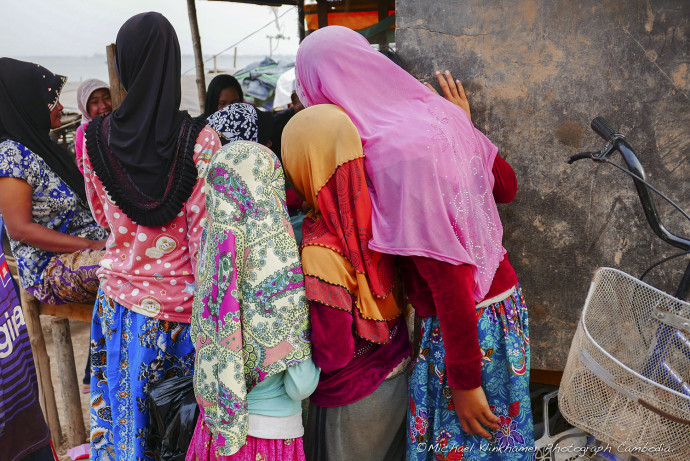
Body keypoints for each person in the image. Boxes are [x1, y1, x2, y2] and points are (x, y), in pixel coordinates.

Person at [293, 26, 533, 460]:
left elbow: (448, 273)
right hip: (504, 308)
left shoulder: (392, 152)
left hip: (465, 327)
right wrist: (462, 127)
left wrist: (465, 381)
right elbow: (505, 185)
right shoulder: (436, 114)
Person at [82, 12, 220, 460]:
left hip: (119, 310)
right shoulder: (201, 142)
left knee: (126, 432)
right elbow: (206, 249)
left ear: (124, 65)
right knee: (179, 437)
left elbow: (103, 218)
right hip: (184, 320)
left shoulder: (91, 140)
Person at [281, 104, 412, 461]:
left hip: (353, 401)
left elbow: (333, 353)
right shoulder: (379, 213)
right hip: (398, 374)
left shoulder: (321, 249)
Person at [186, 139, 318, 461]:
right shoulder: (279, 268)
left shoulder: (211, 263)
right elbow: (299, 386)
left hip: (213, 431)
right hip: (270, 438)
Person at [0, 58, 108, 306]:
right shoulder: (11, 155)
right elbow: (19, 229)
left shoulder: (44, 149)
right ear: (27, 103)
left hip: (90, 250)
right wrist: (91, 245)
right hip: (49, 269)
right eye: (51, 101)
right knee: (128, 269)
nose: (60, 106)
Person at [74, 79, 112, 174]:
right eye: (95, 102)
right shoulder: (83, 132)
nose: (103, 105)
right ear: (85, 106)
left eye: (107, 98)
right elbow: (83, 168)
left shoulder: (120, 123)